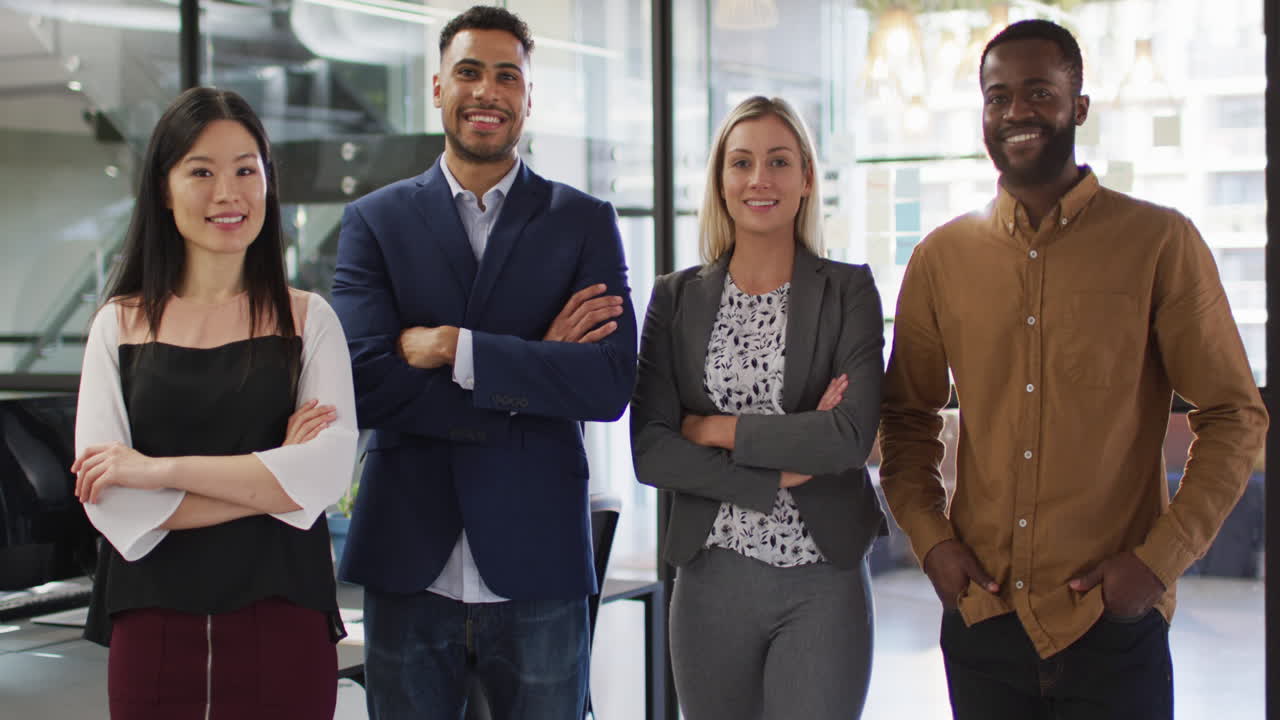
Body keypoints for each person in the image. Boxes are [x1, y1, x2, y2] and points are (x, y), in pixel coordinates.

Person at [879, 18, 1268, 720]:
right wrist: (932, 544)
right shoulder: (941, 258)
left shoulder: (1159, 243)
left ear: (1078, 106)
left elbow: (1235, 416)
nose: (1016, 113)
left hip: (1111, 629)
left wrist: (1156, 564)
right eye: (998, 98)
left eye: (1038, 93)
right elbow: (905, 418)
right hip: (982, 624)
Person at [330, 6, 637, 718]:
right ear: (437, 86)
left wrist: (451, 349)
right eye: (469, 72)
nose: (487, 91)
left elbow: (608, 383)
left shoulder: (583, 221)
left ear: (530, 97)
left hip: (539, 559)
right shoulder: (375, 222)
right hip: (410, 560)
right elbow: (366, 386)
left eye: (508, 76)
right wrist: (533, 370)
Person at [73, 87, 358, 719]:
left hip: (284, 619)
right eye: (201, 171)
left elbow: (323, 478)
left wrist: (157, 470)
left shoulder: (310, 320)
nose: (228, 193)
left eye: (246, 170)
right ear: (163, 188)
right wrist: (270, 472)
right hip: (151, 624)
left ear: (267, 184)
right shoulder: (116, 327)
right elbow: (113, 502)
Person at [631, 95, 887, 719]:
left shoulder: (849, 290)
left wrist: (715, 428)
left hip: (821, 578)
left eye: (778, 161)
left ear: (804, 179)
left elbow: (849, 438)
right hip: (709, 580)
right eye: (741, 163)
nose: (759, 180)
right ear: (721, 182)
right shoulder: (674, 298)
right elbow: (652, 450)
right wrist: (779, 468)